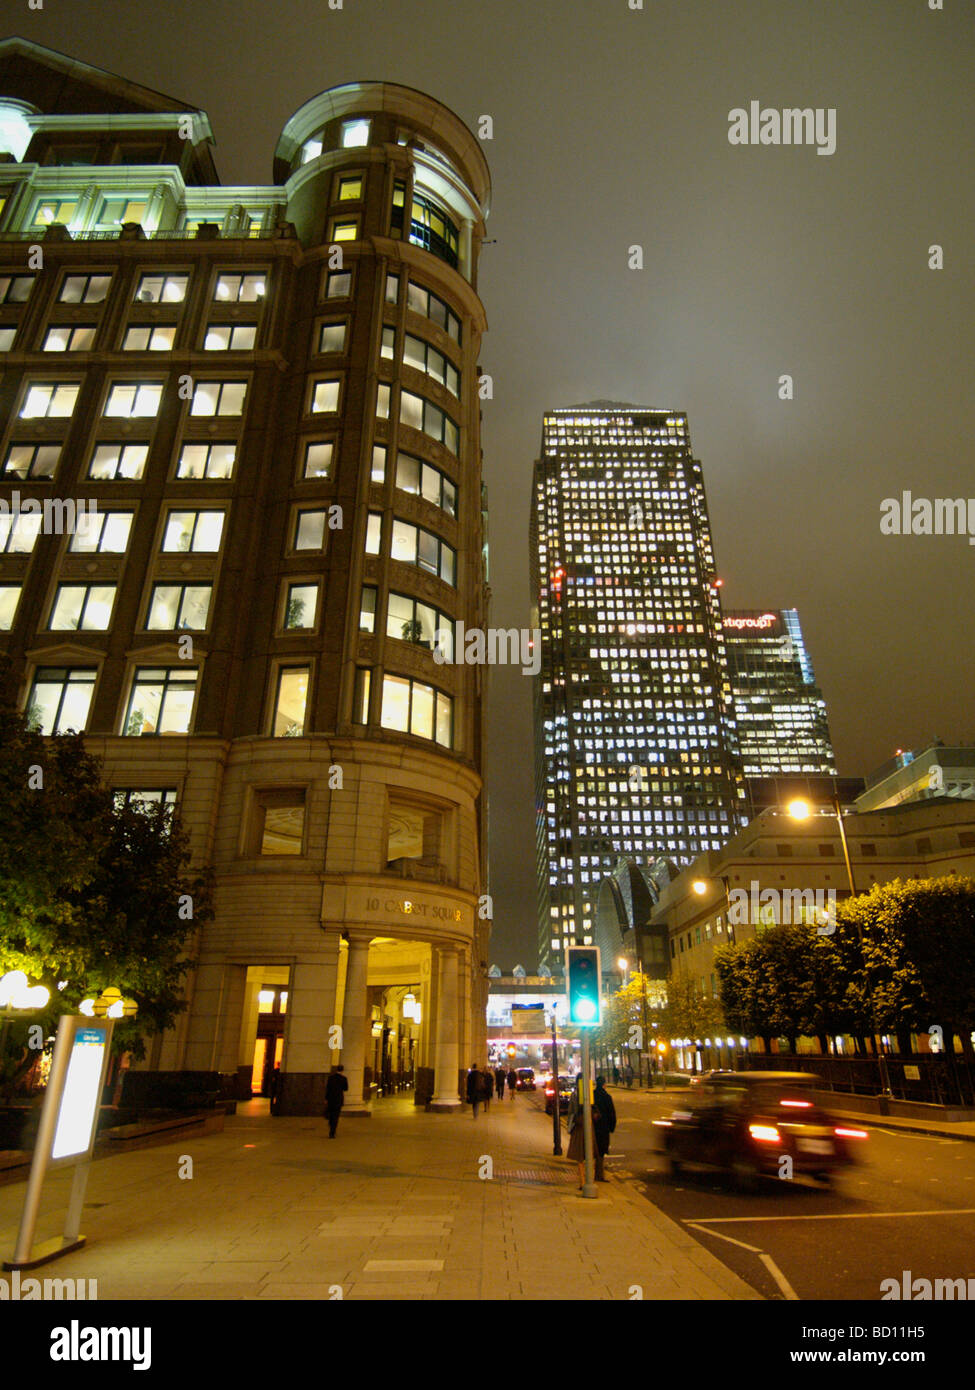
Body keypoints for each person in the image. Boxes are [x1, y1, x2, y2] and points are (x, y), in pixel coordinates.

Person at [566, 1079, 603, 1186]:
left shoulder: (575, 1095)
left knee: (580, 1157)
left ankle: (583, 1181)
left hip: (579, 1128)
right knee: (589, 1155)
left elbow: (571, 1112)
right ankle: (588, 1180)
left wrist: (570, 1125)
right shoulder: (589, 1094)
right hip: (588, 1127)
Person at [592, 1076, 617, 1182]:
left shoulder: (591, 1095)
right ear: (604, 1084)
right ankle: (599, 1174)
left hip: (593, 1127)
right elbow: (612, 1114)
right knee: (601, 1152)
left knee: (594, 1149)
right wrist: (611, 1127)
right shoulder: (607, 1097)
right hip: (603, 1128)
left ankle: (596, 1173)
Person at [324, 1064, 348, 1138]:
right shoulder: (344, 1079)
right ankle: (332, 1132)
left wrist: (326, 1098)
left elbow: (328, 1089)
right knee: (336, 1116)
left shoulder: (331, 1078)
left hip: (331, 1099)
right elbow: (346, 1089)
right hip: (339, 1099)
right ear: (342, 1070)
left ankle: (331, 1127)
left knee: (331, 1115)